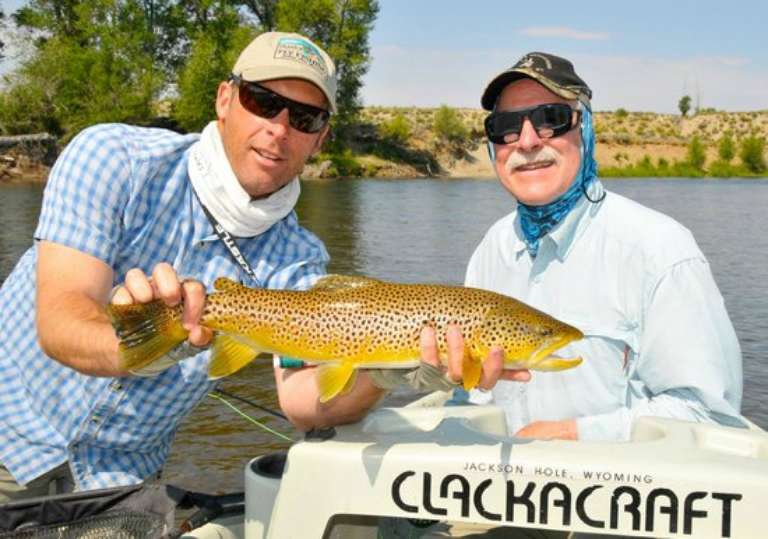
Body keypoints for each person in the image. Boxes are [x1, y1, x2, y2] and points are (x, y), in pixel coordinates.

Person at [0, 31, 343, 502]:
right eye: (262, 101)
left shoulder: (299, 260)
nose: (279, 129)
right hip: (8, 432)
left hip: (117, 481)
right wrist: (145, 347)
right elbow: (61, 319)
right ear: (225, 100)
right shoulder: (113, 158)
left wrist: (386, 371)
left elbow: (302, 397)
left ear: (320, 139)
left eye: (304, 117)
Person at [464, 51, 743, 441]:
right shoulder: (490, 250)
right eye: (506, 127)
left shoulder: (659, 249)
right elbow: (476, 397)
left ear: (586, 129)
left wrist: (576, 435)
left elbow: (709, 416)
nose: (527, 141)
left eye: (550, 119)